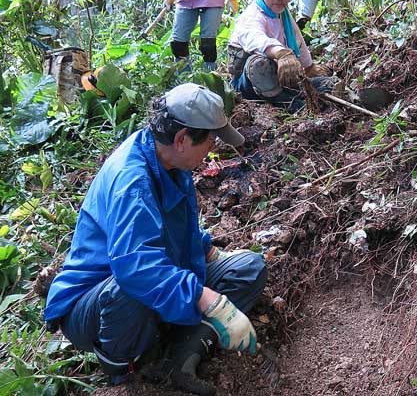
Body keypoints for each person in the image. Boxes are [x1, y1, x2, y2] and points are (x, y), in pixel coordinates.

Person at [44, 83, 267, 394]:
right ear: (182, 139)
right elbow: (135, 268)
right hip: (97, 302)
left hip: (148, 276)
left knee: (248, 267)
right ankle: (124, 370)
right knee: (131, 288)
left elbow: (180, 225)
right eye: (210, 140)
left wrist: (212, 256)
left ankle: (183, 352)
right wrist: (211, 301)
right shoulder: (132, 180)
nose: (212, 149)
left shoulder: (170, 159)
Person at [227, 0, 335, 113]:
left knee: (328, 84)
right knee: (259, 64)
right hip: (249, 86)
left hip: (282, 81)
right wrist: (282, 53)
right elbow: (256, 39)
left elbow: (298, 39)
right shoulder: (251, 16)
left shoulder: (283, 14)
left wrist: (309, 67)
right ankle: (293, 105)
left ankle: (302, 97)